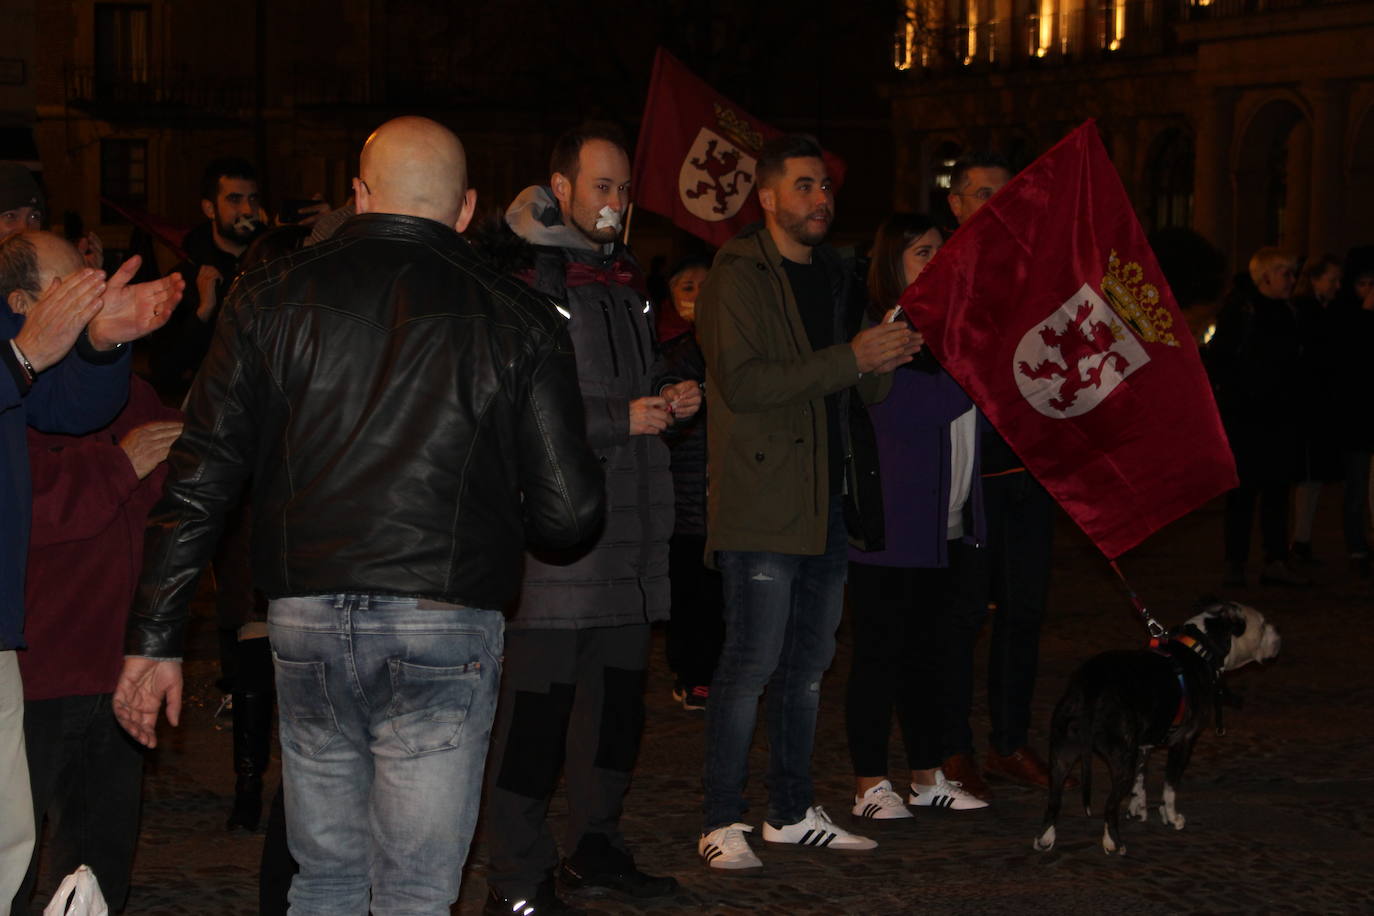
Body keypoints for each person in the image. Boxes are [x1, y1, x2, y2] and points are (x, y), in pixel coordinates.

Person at [112, 116, 605, 916]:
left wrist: (154, 639)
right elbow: (570, 514)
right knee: (413, 891)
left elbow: (201, 476)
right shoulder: (518, 319)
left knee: (326, 880)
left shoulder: (269, 295)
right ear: (467, 206)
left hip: (306, 615)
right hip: (444, 620)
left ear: (361, 194)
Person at [480, 122, 695, 915]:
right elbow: (516, 397)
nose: (615, 203)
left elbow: (625, 383)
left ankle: (596, 845)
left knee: (617, 711)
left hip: (630, 535)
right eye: (601, 186)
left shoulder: (624, 273)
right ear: (561, 187)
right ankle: (518, 875)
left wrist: (671, 395)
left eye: (624, 189)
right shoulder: (528, 274)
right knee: (537, 716)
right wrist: (617, 417)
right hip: (560, 546)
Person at [694, 133, 920, 870]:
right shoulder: (738, 275)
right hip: (762, 499)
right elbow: (747, 382)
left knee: (808, 663)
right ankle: (721, 820)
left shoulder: (836, 274)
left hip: (826, 497)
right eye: (804, 187)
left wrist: (880, 356)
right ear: (766, 198)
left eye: (825, 187)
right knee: (751, 662)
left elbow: (854, 386)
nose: (821, 199)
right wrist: (850, 358)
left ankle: (790, 808)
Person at [1, 230, 182, 916]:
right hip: (33, 669)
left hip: (115, 667)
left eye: (93, 281)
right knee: (10, 865)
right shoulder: (14, 392)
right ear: (20, 303)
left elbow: (176, 503)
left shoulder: (127, 390)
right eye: (71, 285)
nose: (93, 295)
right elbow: (32, 507)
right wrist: (120, 464)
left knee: (97, 870)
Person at [845, 214, 989, 821]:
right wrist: (985, 368)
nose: (936, 261)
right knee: (879, 657)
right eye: (921, 252)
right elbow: (913, 409)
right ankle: (869, 783)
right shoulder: (885, 331)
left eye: (941, 251)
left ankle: (927, 773)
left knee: (933, 658)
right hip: (892, 530)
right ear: (891, 263)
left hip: (948, 526)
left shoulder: (953, 328)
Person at [941, 153, 1060, 799]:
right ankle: (953, 746)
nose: (995, 203)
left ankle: (1009, 739)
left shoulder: (1034, 272)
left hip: (1030, 470)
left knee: (1024, 611)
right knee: (964, 616)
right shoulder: (941, 273)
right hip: (971, 473)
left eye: (1004, 194)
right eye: (982, 193)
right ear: (956, 203)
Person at [1207, 248, 1310, 588]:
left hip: (1281, 418)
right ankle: (1235, 561)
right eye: (1285, 273)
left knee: (1278, 491)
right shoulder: (1241, 309)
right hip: (1246, 419)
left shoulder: (1290, 312)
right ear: (1265, 275)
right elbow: (1221, 359)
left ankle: (1275, 558)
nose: (1291, 280)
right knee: (1243, 494)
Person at [658, 257, 723, 712]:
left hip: (725, 499)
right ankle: (692, 672)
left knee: (722, 595)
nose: (697, 293)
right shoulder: (670, 354)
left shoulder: (729, 347)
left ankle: (719, 670)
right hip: (684, 503)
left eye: (706, 284)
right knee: (689, 593)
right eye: (687, 284)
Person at [1289, 254, 1343, 566]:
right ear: (1315, 280)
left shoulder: (1328, 310)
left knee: (1314, 479)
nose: (1337, 286)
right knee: (1306, 478)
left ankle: (1302, 538)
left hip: (1321, 406)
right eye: (1332, 279)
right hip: (1307, 406)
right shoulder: (1306, 312)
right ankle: (1299, 540)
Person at [1327, 264, 1374, 579]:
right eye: (1363, 284)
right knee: (1356, 487)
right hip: (1356, 419)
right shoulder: (1345, 318)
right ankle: (1356, 545)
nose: (1368, 290)